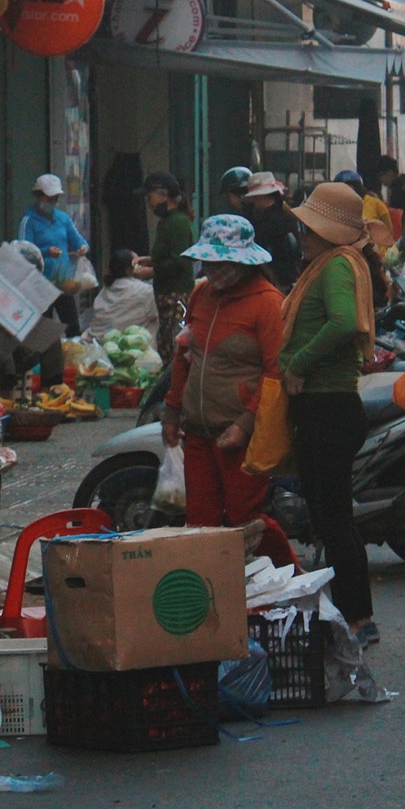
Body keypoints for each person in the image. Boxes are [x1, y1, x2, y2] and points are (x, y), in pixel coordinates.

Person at [279, 182, 381, 644]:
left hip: (328, 407)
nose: (302, 236)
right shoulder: (325, 265)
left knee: (335, 520)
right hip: (322, 407)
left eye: (308, 228)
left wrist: (298, 364)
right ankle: (351, 615)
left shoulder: (337, 266)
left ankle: (359, 618)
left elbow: (345, 322)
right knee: (329, 517)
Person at [163, 215, 295, 570]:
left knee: (245, 520)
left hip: (242, 436)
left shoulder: (268, 302)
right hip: (199, 432)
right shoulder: (201, 294)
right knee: (201, 525)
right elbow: (184, 354)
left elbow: (276, 372)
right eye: (209, 261)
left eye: (222, 262)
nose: (213, 269)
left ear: (243, 262)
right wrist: (172, 409)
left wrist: (244, 423)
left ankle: (292, 579)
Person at [19, 173, 89, 387]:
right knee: (46, 333)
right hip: (40, 286)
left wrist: (82, 247)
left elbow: (78, 240)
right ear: (39, 196)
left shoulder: (63, 219)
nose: (52, 203)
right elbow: (23, 250)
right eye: (48, 198)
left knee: (72, 327)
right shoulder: (29, 220)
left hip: (63, 283)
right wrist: (45, 252)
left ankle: (75, 372)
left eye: (55, 199)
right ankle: (46, 379)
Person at [142, 172, 197, 343]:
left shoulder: (178, 222)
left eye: (149, 198)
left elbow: (180, 261)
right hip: (164, 292)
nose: (148, 204)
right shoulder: (165, 221)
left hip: (177, 294)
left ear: (163, 196)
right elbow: (167, 253)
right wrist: (150, 260)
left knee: (173, 343)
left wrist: (151, 271)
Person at [244, 171, 302, 291]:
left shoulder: (263, 221)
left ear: (260, 196)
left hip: (273, 283)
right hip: (292, 279)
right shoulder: (288, 216)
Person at [88, 248, 161, 342]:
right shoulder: (145, 291)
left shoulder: (104, 291)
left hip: (98, 341)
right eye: (137, 263)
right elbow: (155, 316)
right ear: (128, 270)